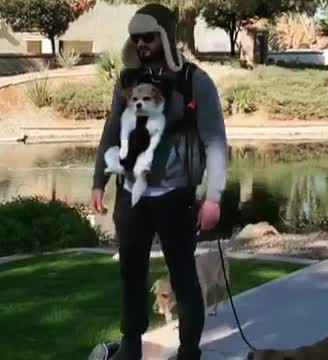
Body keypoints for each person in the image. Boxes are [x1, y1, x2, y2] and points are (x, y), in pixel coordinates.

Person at [90, 3, 228, 359]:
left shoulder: (195, 82)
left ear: (166, 37)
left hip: (176, 196)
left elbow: (215, 142)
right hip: (131, 196)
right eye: (136, 39)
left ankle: (189, 351)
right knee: (131, 274)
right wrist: (98, 181)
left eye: (148, 37)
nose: (141, 45)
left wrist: (213, 197)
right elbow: (110, 134)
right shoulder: (127, 82)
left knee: (183, 277)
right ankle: (131, 345)